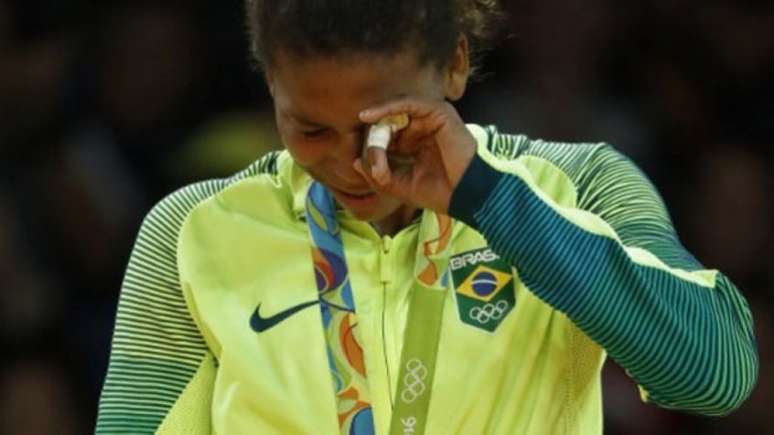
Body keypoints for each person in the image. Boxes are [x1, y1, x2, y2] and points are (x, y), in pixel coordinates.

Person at [95, 1, 758, 434]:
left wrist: (488, 199)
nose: (356, 166)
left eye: (386, 125)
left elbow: (714, 373)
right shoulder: (193, 231)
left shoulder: (574, 186)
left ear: (456, 66)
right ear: (270, 79)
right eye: (312, 130)